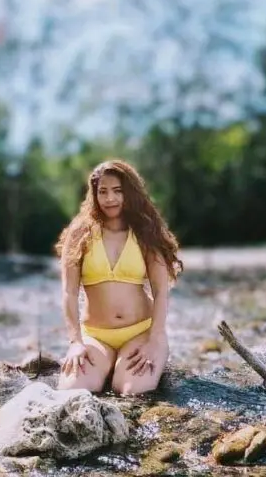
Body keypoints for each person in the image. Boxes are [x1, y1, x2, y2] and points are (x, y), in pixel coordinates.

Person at [54, 159, 183, 395]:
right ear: (94, 194)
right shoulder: (80, 232)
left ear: (130, 193)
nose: (110, 198)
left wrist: (155, 340)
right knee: (72, 392)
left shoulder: (146, 231)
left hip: (141, 332)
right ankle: (108, 366)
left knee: (132, 393)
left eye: (117, 191)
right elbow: (69, 292)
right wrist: (75, 342)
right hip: (95, 336)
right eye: (102, 192)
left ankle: (120, 371)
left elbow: (160, 290)